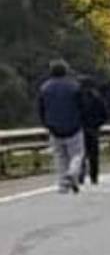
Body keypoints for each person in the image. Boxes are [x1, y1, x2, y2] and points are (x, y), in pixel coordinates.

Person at [38, 59, 84, 194]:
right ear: (66, 71)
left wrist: (45, 123)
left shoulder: (44, 88)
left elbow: (41, 108)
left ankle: (63, 185)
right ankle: (72, 172)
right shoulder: (75, 86)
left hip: (54, 127)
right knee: (77, 154)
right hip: (74, 126)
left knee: (60, 157)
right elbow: (82, 105)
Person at [78, 76, 107, 185]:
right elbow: (104, 114)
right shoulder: (97, 97)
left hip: (80, 129)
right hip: (93, 129)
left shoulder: (77, 97)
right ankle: (94, 177)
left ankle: (80, 175)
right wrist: (97, 125)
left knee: (80, 153)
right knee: (93, 155)